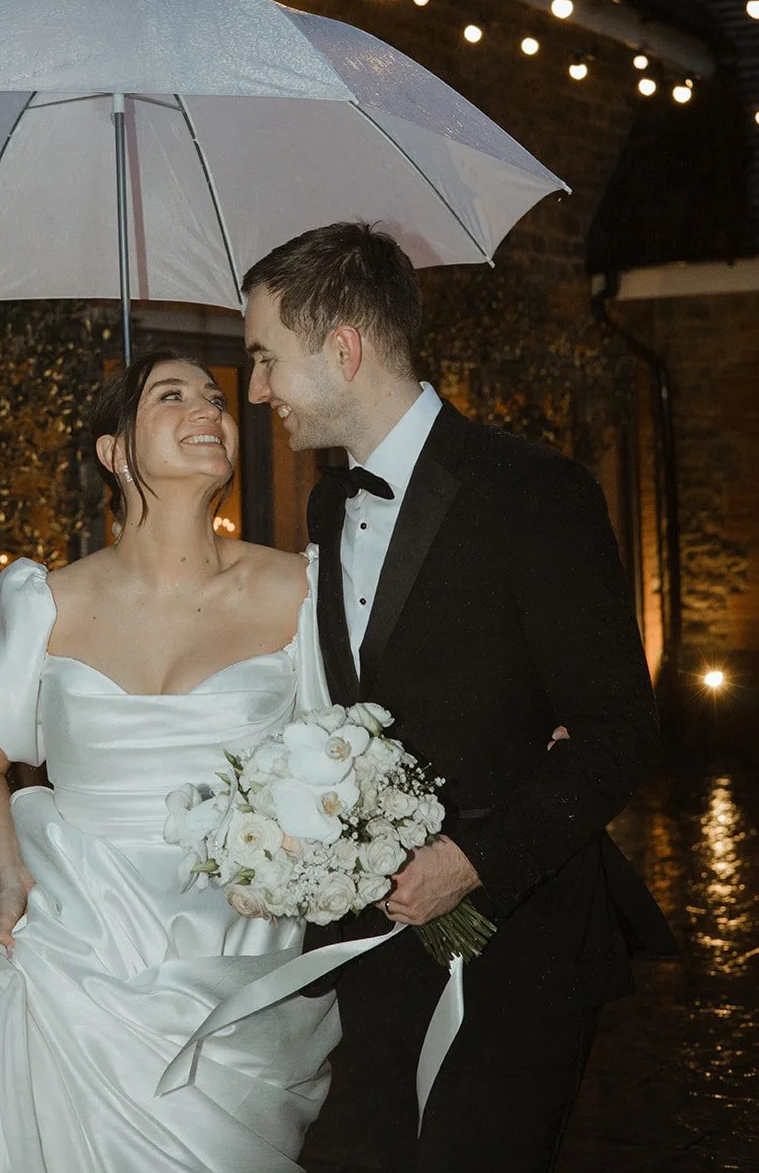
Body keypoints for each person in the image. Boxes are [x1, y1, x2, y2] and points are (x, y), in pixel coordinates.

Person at [242, 222, 676, 1173]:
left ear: (344, 349)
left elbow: (618, 733)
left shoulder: (535, 493)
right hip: (372, 949)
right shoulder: (324, 505)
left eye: (266, 358)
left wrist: (472, 860)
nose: (256, 389)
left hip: (520, 947)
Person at [0, 350, 340, 1173]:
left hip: (229, 955)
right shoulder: (45, 602)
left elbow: (347, 753)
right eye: (170, 394)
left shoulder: (299, 590)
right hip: (68, 956)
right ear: (112, 453)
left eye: (215, 398)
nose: (208, 409)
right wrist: (10, 874)